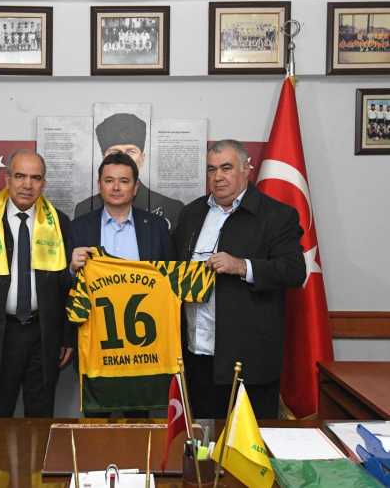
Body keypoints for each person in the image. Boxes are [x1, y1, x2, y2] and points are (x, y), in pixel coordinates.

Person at [172, 139, 306, 420]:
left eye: (226, 168)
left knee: (250, 442)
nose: (217, 177)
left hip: (248, 360)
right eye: (211, 169)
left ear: (246, 168)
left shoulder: (277, 215)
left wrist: (242, 266)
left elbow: (294, 270)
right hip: (196, 355)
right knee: (205, 440)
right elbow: (172, 268)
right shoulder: (192, 213)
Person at [0, 150, 74, 418]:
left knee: (41, 418)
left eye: (35, 178)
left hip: (43, 335)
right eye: (20, 176)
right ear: (7, 179)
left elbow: (66, 289)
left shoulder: (59, 222)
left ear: (43, 183)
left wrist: (67, 336)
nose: (27, 185)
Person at [70, 152, 175, 418]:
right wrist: (71, 269)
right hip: (96, 346)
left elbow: (170, 284)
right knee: (95, 425)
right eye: (109, 180)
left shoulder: (157, 227)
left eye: (124, 181)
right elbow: (61, 287)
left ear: (135, 187)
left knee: (137, 424)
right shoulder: (78, 228)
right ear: (99, 185)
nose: (116, 187)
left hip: (142, 346)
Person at [74, 113, 185, 231]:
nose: (123, 157)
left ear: (142, 159)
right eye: (114, 152)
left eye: (131, 151)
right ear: (104, 160)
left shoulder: (172, 208)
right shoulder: (84, 209)